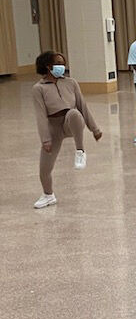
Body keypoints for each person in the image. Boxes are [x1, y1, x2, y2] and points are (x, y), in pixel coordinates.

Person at [31, 51, 102, 208]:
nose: (62, 67)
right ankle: (48, 195)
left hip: (70, 123)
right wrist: (45, 139)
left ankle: (80, 152)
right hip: (53, 127)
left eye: (63, 63)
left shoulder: (71, 83)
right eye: (58, 63)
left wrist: (95, 129)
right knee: (44, 168)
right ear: (48, 66)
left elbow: (83, 106)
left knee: (74, 113)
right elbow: (40, 115)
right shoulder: (38, 88)